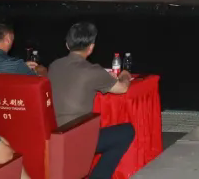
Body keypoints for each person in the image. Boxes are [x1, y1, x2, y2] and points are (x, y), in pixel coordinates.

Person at [49, 22, 136, 179]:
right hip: (76, 137)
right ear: (91, 47)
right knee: (126, 132)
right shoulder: (92, 70)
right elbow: (122, 88)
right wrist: (125, 75)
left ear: (67, 44)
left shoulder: (54, 66)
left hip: (53, 135)